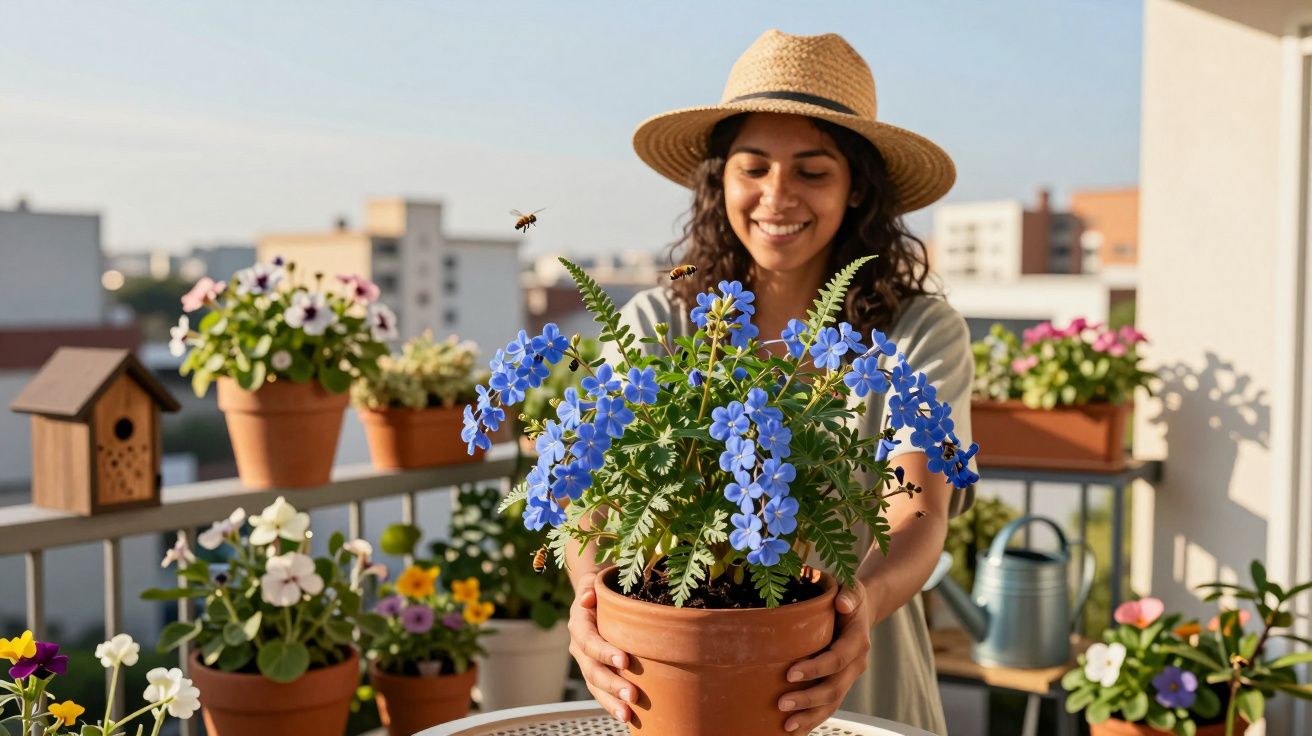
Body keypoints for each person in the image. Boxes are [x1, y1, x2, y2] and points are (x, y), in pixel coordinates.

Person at [566, 30, 975, 735]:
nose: (776, 195)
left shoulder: (918, 332)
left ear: (856, 192)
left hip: (854, 685)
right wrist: (589, 598)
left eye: (813, 172)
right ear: (719, 180)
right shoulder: (658, 322)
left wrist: (860, 607)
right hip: (675, 692)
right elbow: (595, 495)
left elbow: (919, 510)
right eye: (752, 167)